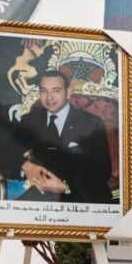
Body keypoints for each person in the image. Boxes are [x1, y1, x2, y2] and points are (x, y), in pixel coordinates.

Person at [10, 69, 116, 204]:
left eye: (56, 90)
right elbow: (7, 151)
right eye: (44, 91)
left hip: (82, 195)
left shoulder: (91, 123)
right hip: (38, 193)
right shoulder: (30, 120)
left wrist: (65, 187)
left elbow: (102, 171)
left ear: (68, 92)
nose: (49, 97)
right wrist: (26, 165)